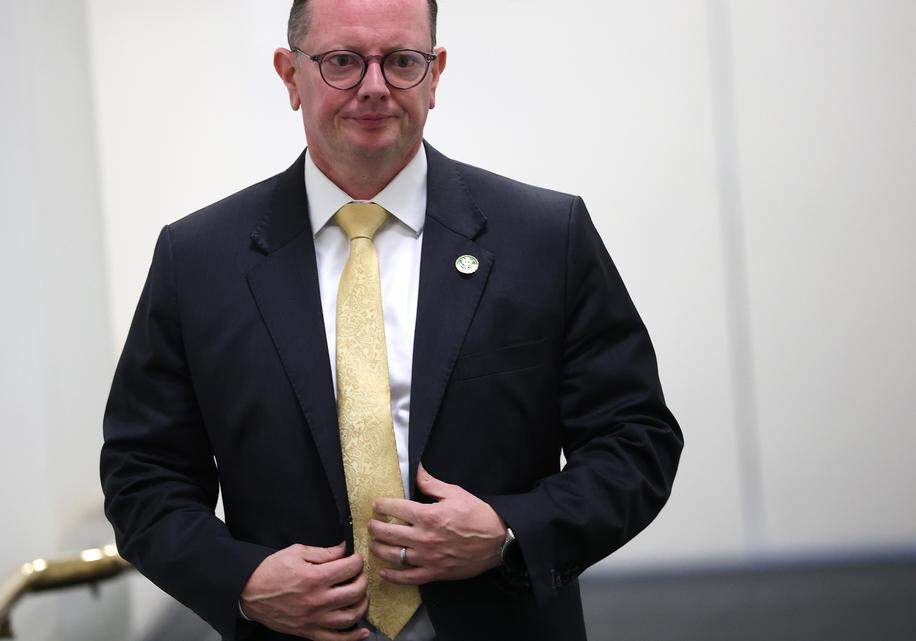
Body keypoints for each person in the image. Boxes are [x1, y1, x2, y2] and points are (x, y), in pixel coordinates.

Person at [99, 0, 683, 639]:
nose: (374, 87)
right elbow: (142, 477)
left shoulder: (545, 239)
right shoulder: (198, 261)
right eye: (343, 61)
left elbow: (636, 439)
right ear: (290, 77)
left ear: (435, 76)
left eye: (402, 61)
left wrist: (510, 531)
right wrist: (243, 579)